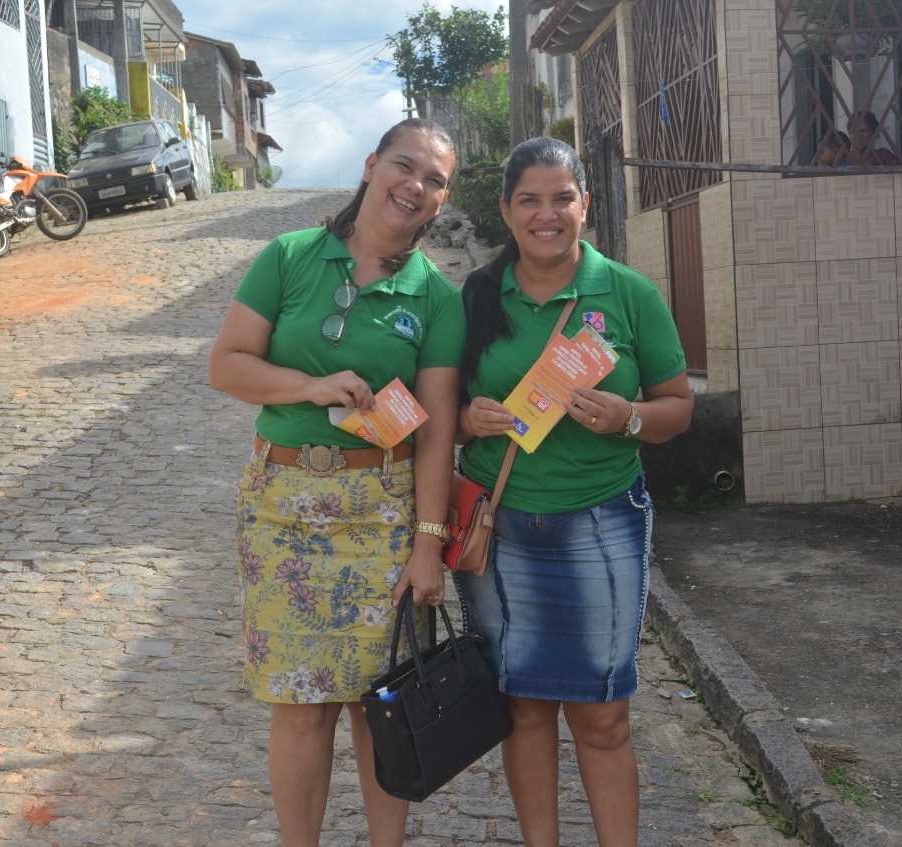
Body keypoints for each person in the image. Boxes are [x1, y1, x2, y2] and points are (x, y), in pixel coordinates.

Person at [208, 118, 463, 847]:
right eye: (404, 165)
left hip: (381, 512)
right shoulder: (290, 257)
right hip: (282, 506)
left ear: (442, 201)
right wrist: (310, 387)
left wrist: (428, 544)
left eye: (435, 180)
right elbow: (226, 365)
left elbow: (437, 430)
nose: (414, 186)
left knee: (379, 702)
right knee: (300, 705)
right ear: (371, 164)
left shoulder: (435, 299)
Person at [453, 137, 695, 846]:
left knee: (602, 714)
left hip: (601, 527)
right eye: (529, 199)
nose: (547, 213)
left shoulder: (627, 293)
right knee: (524, 707)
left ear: (585, 204)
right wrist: (468, 418)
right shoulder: (474, 298)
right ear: (505, 209)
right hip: (499, 530)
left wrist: (632, 418)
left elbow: (678, 403)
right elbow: (441, 409)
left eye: (562, 197)